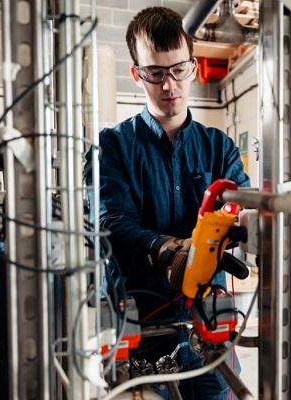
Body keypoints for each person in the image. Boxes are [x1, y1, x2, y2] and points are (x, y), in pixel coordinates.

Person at [86, 6, 250, 400]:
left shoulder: (219, 149)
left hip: (209, 323)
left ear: (193, 67)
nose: (169, 85)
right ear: (136, 75)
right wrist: (164, 250)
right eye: (155, 74)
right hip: (138, 329)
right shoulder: (112, 147)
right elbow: (109, 222)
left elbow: (241, 216)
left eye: (178, 70)